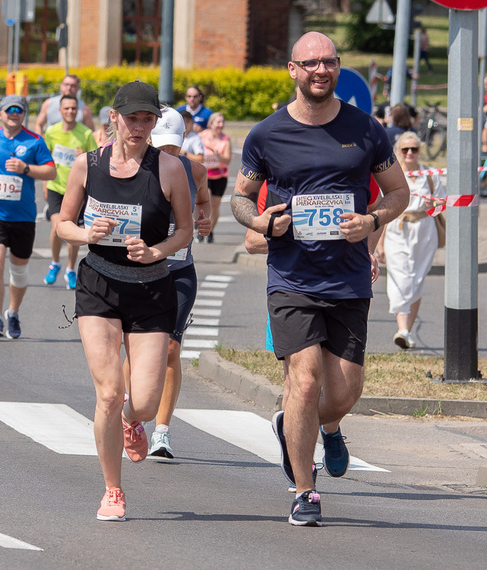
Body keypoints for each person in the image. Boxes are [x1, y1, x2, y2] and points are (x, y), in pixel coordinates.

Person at [231, 31, 408, 526]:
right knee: (304, 382)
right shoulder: (266, 135)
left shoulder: (366, 129)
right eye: (310, 64)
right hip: (291, 278)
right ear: (292, 70)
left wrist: (372, 221)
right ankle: (304, 491)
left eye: (328, 62)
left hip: (348, 280)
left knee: (344, 394)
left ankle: (304, 424)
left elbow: (399, 193)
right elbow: (240, 199)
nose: (320, 71)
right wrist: (262, 222)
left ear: (336, 67)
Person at [56, 80, 192, 522]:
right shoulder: (86, 165)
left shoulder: (168, 169)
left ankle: (134, 423)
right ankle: (113, 490)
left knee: (146, 403)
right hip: (100, 284)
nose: (138, 126)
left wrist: (157, 252)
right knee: (110, 393)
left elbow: (186, 231)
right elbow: (62, 223)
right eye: (131, 118)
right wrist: (84, 233)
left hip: (152, 287)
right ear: (113, 117)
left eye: (147, 119)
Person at [145, 107, 212, 459]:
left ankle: (162, 432)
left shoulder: (195, 170)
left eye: (173, 147)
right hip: (142, 272)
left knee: (171, 349)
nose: (166, 154)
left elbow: (204, 202)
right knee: (138, 347)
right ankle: (129, 407)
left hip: (180, 269)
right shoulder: (136, 169)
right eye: (161, 146)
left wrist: (206, 219)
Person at [0, 95, 56, 339]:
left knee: (19, 271)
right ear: (0, 114)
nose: (13, 113)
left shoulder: (34, 141)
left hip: (23, 216)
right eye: (8, 109)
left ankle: (13, 312)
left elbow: (51, 171)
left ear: (23, 114)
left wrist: (26, 168)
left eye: (18, 110)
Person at [375, 132, 445, 350]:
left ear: (420, 150)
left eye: (414, 149)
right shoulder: (392, 176)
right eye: (405, 150)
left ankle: (407, 331)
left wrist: (436, 203)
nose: (409, 153)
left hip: (424, 230)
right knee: (400, 278)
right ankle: (402, 329)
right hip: (397, 229)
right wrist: (378, 243)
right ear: (398, 151)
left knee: (417, 279)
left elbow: (440, 207)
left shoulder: (430, 175)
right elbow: (382, 210)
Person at [42, 95, 98, 289]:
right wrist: (44, 184)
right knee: (57, 227)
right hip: (56, 186)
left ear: (78, 111)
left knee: (72, 228)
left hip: (76, 189)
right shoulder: (51, 132)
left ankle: (70, 269)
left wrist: (83, 157)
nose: (70, 112)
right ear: (60, 110)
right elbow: (45, 159)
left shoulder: (85, 134)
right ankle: (55, 263)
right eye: (66, 108)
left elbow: (95, 162)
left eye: (73, 108)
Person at [199, 112, 232, 243]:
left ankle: (210, 231)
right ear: (210, 124)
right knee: (205, 202)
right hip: (204, 175)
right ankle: (201, 229)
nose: (220, 125)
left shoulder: (225, 139)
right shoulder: (202, 136)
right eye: (218, 122)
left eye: (222, 122)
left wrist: (217, 155)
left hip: (220, 175)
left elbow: (228, 160)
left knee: (214, 206)